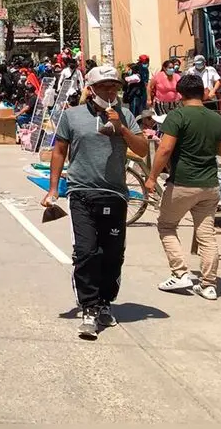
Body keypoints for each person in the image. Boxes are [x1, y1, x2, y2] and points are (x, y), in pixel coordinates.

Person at [42, 66, 149, 340]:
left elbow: (142, 149)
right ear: (91, 90)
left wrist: (122, 128)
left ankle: (104, 303)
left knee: (112, 255)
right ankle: (89, 307)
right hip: (81, 192)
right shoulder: (72, 116)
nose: (110, 92)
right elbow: (59, 151)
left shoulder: (124, 115)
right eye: (104, 87)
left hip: (114, 194)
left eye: (114, 87)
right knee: (87, 251)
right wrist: (54, 189)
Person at [146, 75, 221, 300]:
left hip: (183, 183)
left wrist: (152, 177)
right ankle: (209, 284)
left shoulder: (177, 116)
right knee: (207, 235)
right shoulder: (217, 119)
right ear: (203, 92)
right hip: (210, 185)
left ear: (179, 94)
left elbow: (164, 150)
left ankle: (180, 273)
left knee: (166, 225)